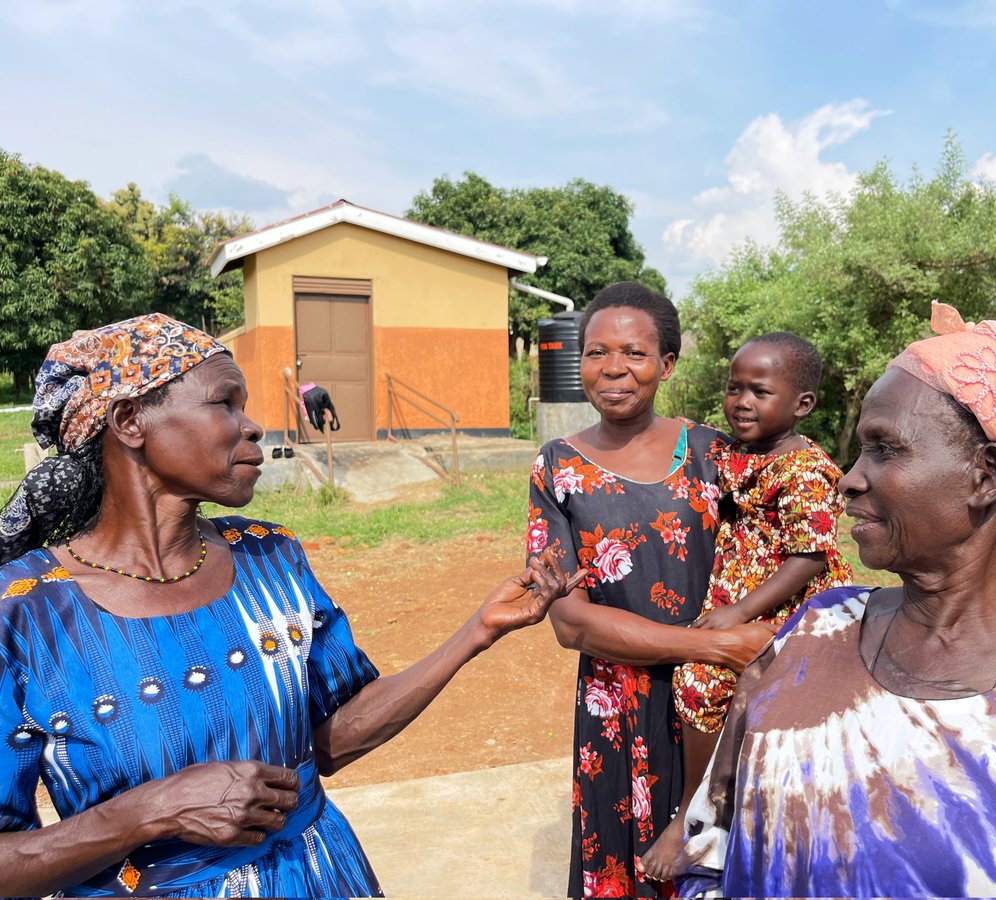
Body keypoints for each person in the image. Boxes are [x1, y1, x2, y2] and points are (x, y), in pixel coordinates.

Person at [0, 314, 582, 898]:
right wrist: (147, 812)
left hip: (323, 877)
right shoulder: (25, 613)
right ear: (130, 420)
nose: (251, 426)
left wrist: (477, 631)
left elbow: (330, 741)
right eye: (224, 403)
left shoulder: (269, 558)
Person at [675, 302, 996, 898]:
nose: (849, 478)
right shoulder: (812, 631)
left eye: (884, 449)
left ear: (987, 476)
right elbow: (711, 851)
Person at [526, 282, 776, 898]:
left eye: (634, 354)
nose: (613, 369)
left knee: (720, 861)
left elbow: (777, 559)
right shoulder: (556, 467)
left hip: (721, 703)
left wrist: (730, 657)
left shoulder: (717, 455)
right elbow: (571, 624)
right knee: (623, 870)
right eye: (595, 352)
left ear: (666, 364)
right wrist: (712, 648)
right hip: (616, 708)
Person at [638, 332, 854, 881]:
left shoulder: (806, 469)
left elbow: (808, 557)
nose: (742, 401)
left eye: (760, 391)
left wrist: (739, 614)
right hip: (739, 587)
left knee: (705, 682)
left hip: (790, 600)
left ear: (802, 405)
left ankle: (697, 815)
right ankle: (698, 810)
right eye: (734, 388)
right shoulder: (735, 452)